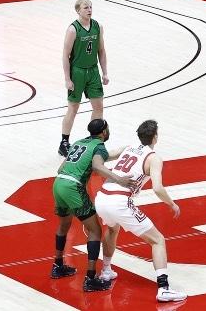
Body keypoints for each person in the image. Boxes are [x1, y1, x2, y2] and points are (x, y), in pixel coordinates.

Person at [94, 120, 186, 302]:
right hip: (119, 201)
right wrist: (172, 204)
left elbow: (103, 156)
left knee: (112, 229)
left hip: (101, 197)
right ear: (155, 137)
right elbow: (158, 189)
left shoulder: (128, 147)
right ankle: (164, 288)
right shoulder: (154, 158)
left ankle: (105, 271)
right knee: (158, 240)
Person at [50, 118, 130, 292]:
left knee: (63, 225)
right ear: (103, 132)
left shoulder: (79, 143)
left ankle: (57, 266)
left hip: (58, 183)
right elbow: (97, 165)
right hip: (73, 187)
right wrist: (119, 180)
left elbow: (61, 168)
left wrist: (126, 150)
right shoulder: (99, 146)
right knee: (95, 230)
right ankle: (91, 278)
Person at [60, 0, 109, 157]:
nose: (89, 10)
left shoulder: (97, 26)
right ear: (78, 11)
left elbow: (101, 50)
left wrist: (105, 72)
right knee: (73, 108)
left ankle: (93, 140)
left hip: (93, 71)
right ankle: (64, 142)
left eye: (90, 7)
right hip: (78, 71)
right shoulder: (73, 29)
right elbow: (65, 55)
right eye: (85, 8)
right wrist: (67, 79)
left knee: (98, 107)